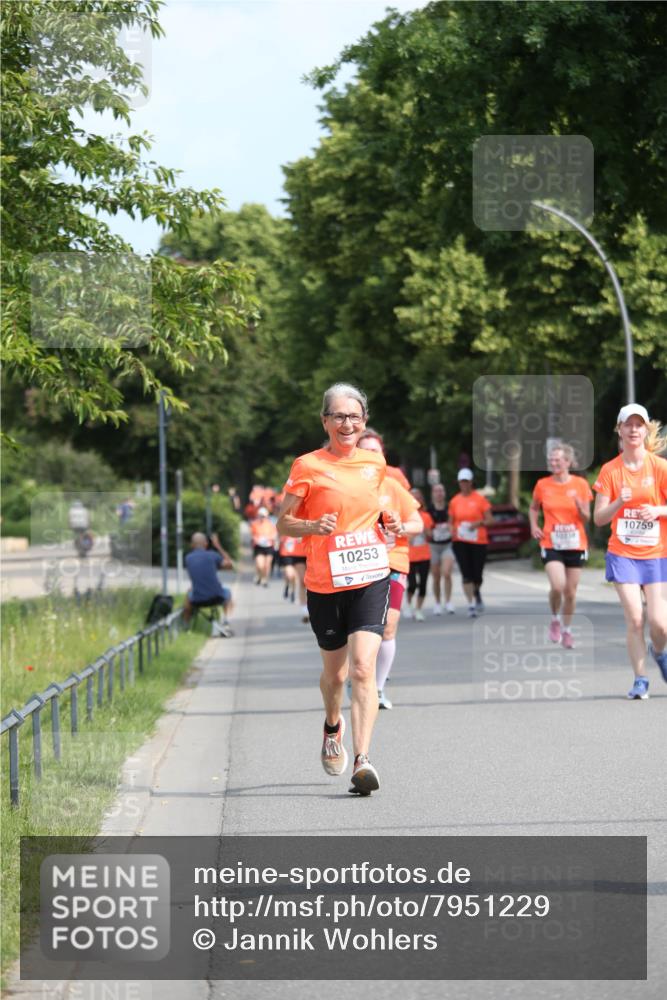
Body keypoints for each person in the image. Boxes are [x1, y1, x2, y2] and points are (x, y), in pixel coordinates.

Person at [277, 382, 401, 796]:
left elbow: (375, 511)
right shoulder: (307, 466)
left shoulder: (375, 463)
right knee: (336, 674)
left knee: (363, 667)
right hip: (325, 582)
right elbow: (283, 523)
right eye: (339, 416)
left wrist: (388, 523)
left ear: (364, 421)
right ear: (325, 421)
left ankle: (363, 760)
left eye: (354, 417)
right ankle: (333, 726)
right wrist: (313, 526)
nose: (347, 424)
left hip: (371, 576)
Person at [593, 404, 667, 699]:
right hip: (623, 555)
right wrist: (618, 503)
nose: (633, 429)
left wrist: (658, 511)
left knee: (660, 625)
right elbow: (599, 519)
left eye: (639, 425)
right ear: (620, 430)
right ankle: (640, 679)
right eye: (628, 424)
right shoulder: (610, 470)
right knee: (635, 618)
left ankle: (659, 652)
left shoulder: (660, 467)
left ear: (646, 430)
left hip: (656, 554)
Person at [358, 432, 422, 709]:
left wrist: (401, 528)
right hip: (358, 565)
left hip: (393, 562)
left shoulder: (393, 486)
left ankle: (378, 688)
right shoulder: (346, 488)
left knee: (388, 627)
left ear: (383, 455)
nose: (371, 455)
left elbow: (417, 523)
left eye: (375, 450)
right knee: (359, 631)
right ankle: (360, 676)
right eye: (365, 450)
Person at [529, 443, 593, 648]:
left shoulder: (581, 485)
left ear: (568, 462)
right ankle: (555, 619)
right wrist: (534, 526)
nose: (553, 463)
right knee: (558, 586)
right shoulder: (542, 485)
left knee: (571, 593)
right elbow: (534, 508)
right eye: (551, 459)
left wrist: (580, 508)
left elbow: (587, 518)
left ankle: (567, 629)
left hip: (575, 543)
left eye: (557, 459)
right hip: (551, 542)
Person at [448, 468, 493, 617]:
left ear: (471, 482)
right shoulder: (454, 501)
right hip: (460, 541)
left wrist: (479, 523)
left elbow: (490, 520)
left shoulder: (480, 500)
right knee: (466, 573)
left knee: (477, 575)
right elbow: (450, 522)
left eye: (466, 481)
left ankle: (476, 591)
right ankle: (471, 604)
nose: (464, 484)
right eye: (462, 481)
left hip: (478, 541)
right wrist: (451, 530)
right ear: (459, 483)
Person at [183, 532, 234, 635]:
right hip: (217, 597)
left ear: (192, 545)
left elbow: (197, 576)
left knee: (188, 595)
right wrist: (218, 546)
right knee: (228, 592)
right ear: (206, 544)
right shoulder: (213, 555)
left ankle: (186, 626)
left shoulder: (188, 558)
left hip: (197, 599)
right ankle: (226, 621)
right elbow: (230, 565)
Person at [404, 488, 434, 622]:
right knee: (412, 584)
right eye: (413, 498)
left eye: (418, 498)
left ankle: (419, 609)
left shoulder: (426, 516)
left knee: (423, 584)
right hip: (410, 556)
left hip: (424, 555)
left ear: (421, 500)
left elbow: (431, 536)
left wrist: (426, 531)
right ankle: (408, 604)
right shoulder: (405, 516)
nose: (416, 500)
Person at [428, 482, 455, 615]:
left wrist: (451, 528)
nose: (439, 493)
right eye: (436, 491)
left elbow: (454, 523)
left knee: (447, 573)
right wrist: (430, 530)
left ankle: (448, 602)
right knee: (436, 576)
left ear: (444, 493)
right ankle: (438, 602)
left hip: (447, 545)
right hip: (433, 546)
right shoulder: (429, 510)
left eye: (441, 491)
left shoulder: (450, 508)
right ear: (433, 494)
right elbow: (425, 527)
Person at [279, 534, 309, 622]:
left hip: (301, 552)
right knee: (290, 574)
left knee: (303, 582)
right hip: (288, 551)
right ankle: (288, 585)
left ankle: (305, 610)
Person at [250, 506, 277, 586]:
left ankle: (265, 579)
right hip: (259, 546)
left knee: (267, 565)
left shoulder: (271, 524)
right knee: (260, 565)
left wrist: (269, 538)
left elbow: (274, 534)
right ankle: (260, 576)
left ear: (266, 516)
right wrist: (256, 539)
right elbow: (253, 535)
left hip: (269, 546)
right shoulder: (254, 524)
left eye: (263, 516)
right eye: (260, 516)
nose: (262, 518)